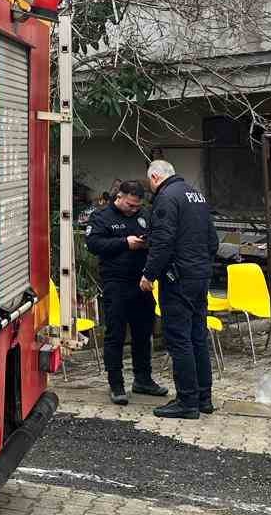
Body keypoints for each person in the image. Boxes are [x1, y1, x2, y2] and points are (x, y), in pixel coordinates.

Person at [139, 159, 219, 420]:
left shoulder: (166, 198)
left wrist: (149, 274)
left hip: (178, 279)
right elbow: (213, 241)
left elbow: (163, 242)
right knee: (198, 337)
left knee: (179, 340)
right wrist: (200, 265)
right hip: (200, 276)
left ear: (154, 177)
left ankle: (187, 401)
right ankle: (204, 398)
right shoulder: (197, 195)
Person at [85, 180, 168, 406]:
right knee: (116, 334)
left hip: (141, 282)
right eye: (130, 205)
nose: (134, 209)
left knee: (144, 332)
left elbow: (156, 236)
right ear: (119, 197)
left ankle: (143, 379)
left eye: (137, 206)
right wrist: (124, 243)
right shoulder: (102, 216)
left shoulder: (144, 214)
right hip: (116, 282)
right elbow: (93, 244)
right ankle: (116, 383)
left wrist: (147, 243)